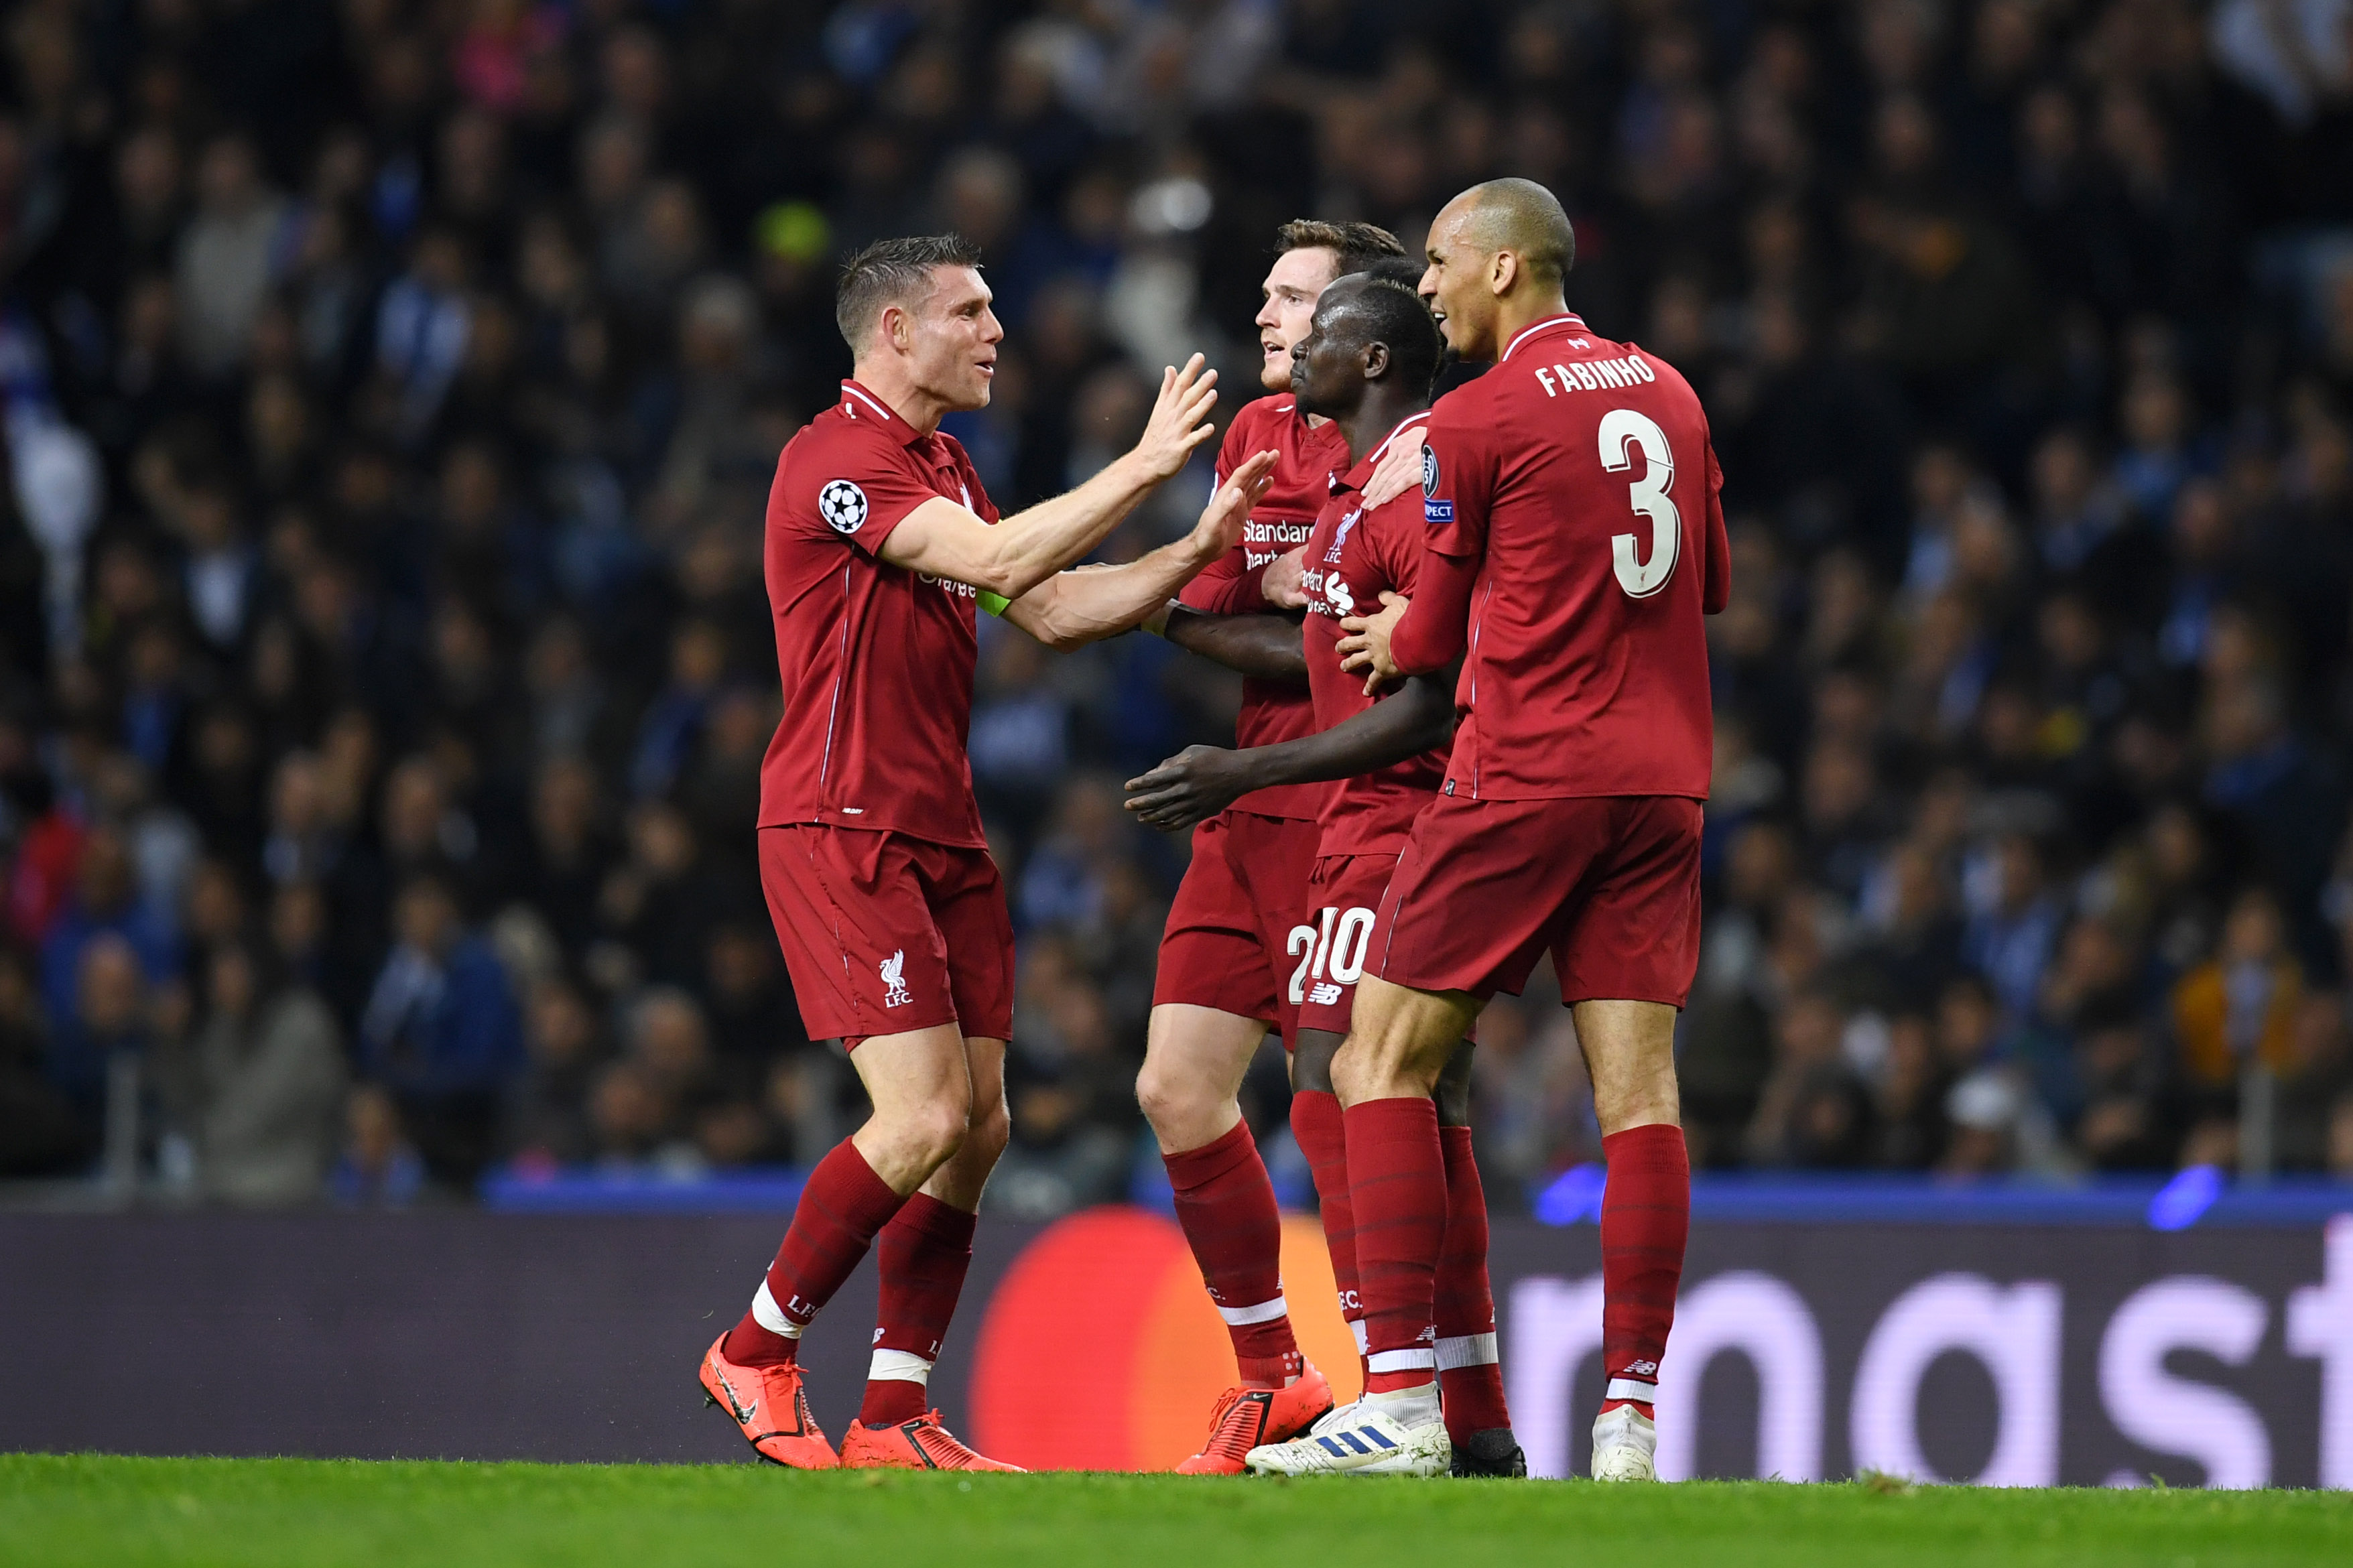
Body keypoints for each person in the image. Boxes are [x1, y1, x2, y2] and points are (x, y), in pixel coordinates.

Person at [699, 233, 1277, 1473]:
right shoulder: (833, 463)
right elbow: (1008, 562)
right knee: (917, 1121)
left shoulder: (946, 464)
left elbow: (1052, 607)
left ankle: (896, 1409)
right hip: (841, 821)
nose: (997, 330)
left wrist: (1196, 542)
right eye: (970, 311)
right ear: (896, 331)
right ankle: (753, 1351)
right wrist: (1143, 465)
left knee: (979, 1129)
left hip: (942, 828)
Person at [1245, 179, 1729, 1481]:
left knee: (1376, 1063)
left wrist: (1390, 630)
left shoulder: (1474, 416)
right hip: (1664, 782)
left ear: (1509, 268)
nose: (1430, 291)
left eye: (1446, 266)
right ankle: (1627, 1419)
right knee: (1640, 1102)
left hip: (1526, 772)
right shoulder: (1672, 395)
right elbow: (1707, 584)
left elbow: (1434, 638)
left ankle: (1398, 1407)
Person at [1125, 269, 1523, 1476]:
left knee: (1358, 1083)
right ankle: (1465, 1419)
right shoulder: (1354, 484)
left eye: (1316, 318)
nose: (1285, 334)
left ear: (1380, 353)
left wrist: (1244, 772)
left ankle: (1398, 1400)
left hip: (1391, 816)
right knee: (1387, 1094)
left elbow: (1423, 701)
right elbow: (1345, 650)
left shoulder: (1415, 478)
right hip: (1343, 812)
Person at [1126, 218, 1411, 1474]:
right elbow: (1244, 614)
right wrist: (1206, 611)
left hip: (1340, 797)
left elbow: (1328, 637)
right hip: (1241, 803)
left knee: (1337, 1096)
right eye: (1265, 295)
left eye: (1293, 299)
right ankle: (1275, 1377)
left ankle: (1389, 1381)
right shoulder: (1253, 439)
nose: (1265, 317)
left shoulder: (1396, 453)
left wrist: (1213, 615)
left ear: (1361, 331)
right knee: (1175, 1089)